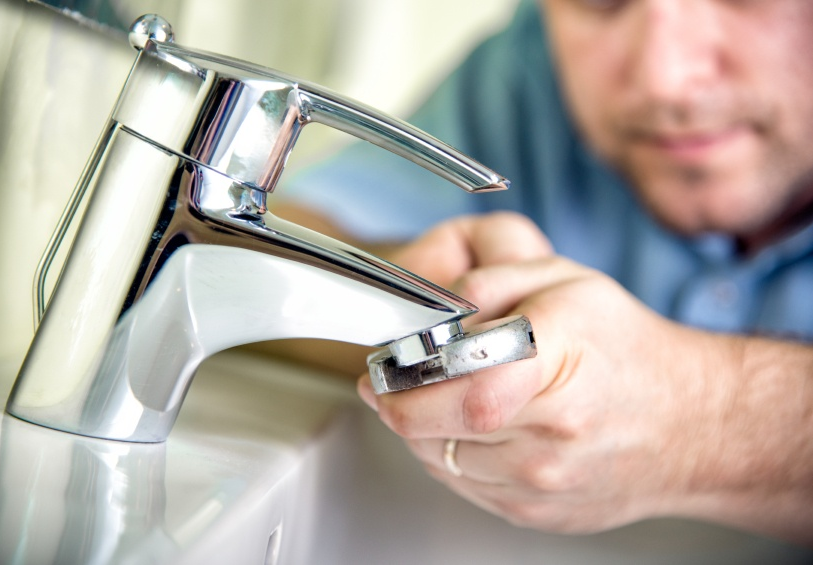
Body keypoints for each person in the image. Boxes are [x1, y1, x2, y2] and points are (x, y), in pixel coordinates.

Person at [275, 0, 813, 545]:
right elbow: (279, 241)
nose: (664, 80)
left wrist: (704, 414)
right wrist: (425, 298)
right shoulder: (531, 67)